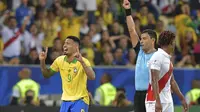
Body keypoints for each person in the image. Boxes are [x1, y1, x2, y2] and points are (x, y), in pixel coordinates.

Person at [39, 36, 95, 112]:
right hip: (65, 101)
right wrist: (42, 61)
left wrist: (82, 62)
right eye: (64, 43)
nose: (64, 45)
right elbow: (46, 75)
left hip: (80, 100)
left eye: (68, 43)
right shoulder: (59, 60)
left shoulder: (83, 61)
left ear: (76, 47)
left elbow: (92, 77)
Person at [123, 0, 157, 112]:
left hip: (152, 94)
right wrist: (128, 11)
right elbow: (132, 30)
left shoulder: (158, 55)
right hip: (138, 95)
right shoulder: (140, 51)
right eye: (141, 38)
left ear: (153, 40)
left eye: (144, 38)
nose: (141, 41)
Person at [146, 31, 188, 112]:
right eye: (174, 41)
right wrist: (157, 102)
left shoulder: (167, 59)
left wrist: (182, 98)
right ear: (171, 43)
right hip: (155, 101)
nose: (175, 44)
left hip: (167, 101)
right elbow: (154, 80)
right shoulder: (157, 56)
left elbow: (172, 81)